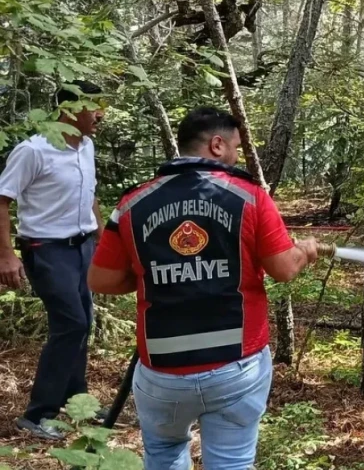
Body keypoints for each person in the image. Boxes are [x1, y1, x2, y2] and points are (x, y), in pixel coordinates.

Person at [88, 107, 321, 470]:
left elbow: (101, 279)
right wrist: (304, 251)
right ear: (216, 144)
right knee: (231, 463)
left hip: (162, 373)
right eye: (235, 147)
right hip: (236, 366)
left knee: (164, 455)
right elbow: (284, 269)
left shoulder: (132, 204)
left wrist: (154, 272)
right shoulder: (250, 198)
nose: (236, 155)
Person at [0, 81, 107, 440]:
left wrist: (102, 237)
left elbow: (88, 195)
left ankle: (77, 402)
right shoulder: (34, 150)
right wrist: (6, 255)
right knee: (71, 324)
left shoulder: (87, 146)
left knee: (83, 322)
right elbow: (2, 200)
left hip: (82, 247)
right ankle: (38, 413)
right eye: (92, 106)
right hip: (46, 249)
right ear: (68, 110)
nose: (99, 114)